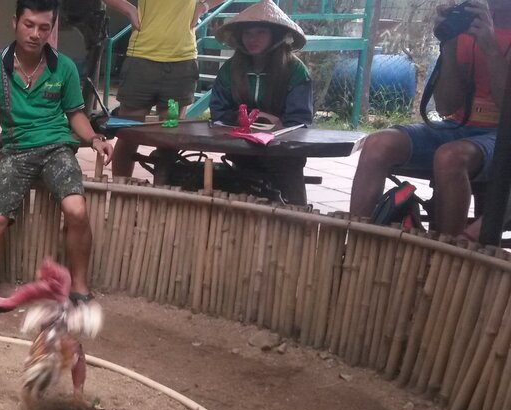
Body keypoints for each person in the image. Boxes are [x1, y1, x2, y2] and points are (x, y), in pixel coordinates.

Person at [0, 0, 113, 302]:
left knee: (77, 210)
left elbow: (76, 114)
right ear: (15, 24)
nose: (35, 33)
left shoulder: (65, 67)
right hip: (15, 150)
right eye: (29, 25)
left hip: (57, 149)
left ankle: (80, 288)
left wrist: (95, 138)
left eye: (44, 27)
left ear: (51, 29)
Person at [351, 0, 510, 237]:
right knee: (377, 144)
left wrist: (490, 49)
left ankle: (444, 263)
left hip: (503, 134)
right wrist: (448, 43)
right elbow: (447, 106)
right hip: (459, 126)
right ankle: (355, 248)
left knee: (450, 157)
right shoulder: (469, 25)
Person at [103, 0, 227, 177]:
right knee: (129, 134)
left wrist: (203, 7)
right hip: (141, 60)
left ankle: (163, 199)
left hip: (181, 63)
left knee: (170, 136)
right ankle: (119, 197)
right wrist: (129, 9)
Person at [208, 0, 313, 205]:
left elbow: (300, 120)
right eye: (248, 33)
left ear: (275, 35)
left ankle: (300, 223)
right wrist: (258, 119)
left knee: (291, 185)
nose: (252, 39)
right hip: (242, 149)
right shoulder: (230, 69)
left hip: (284, 154)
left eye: (260, 32)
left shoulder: (295, 70)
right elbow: (218, 112)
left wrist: (271, 124)